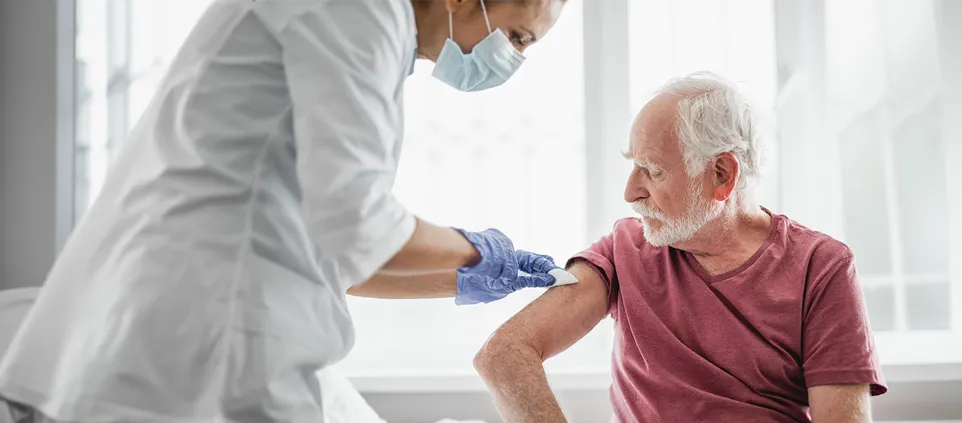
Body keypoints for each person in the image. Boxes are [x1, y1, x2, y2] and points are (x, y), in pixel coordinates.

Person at [0, 0, 570, 422]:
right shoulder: (354, 14)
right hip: (187, 345)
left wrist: (461, 277)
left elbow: (336, 253)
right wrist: (477, 253)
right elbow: (360, 227)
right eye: (518, 37)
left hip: (194, 330)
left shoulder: (379, 36)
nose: (512, 59)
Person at [474, 73, 888, 423]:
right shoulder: (625, 250)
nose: (630, 192)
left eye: (652, 171)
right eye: (633, 166)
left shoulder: (821, 266)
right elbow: (505, 354)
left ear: (722, 174)